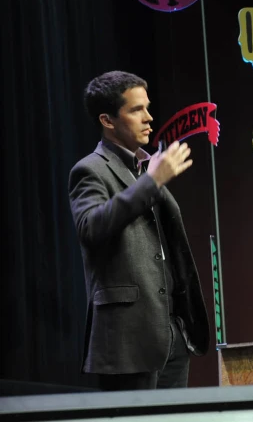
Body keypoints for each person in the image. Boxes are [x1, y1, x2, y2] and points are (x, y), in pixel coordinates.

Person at [68, 70, 210, 391]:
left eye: (147, 107)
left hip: (170, 335)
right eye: (136, 110)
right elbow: (91, 227)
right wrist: (152, 181)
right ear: (108, 120)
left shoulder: (144, 169)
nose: (149, 117)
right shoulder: (90, 170)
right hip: (128, 339)